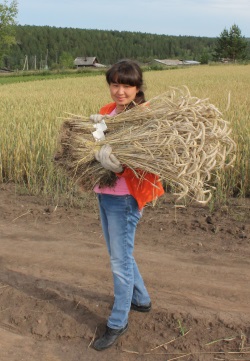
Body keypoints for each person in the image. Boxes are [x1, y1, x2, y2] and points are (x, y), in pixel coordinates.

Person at [89, 59, 164, 351]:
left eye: (127, 85)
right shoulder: (107, 112)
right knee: (120, 252)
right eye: (115, 84)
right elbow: (92, 147)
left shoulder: (145, 119)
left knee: (119, 261)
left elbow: (152, 165)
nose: (120, 91)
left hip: (126, 197)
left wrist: (120, 169)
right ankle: (141, 300)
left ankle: (118, 321)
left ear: (137, 88)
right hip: (104, 192)